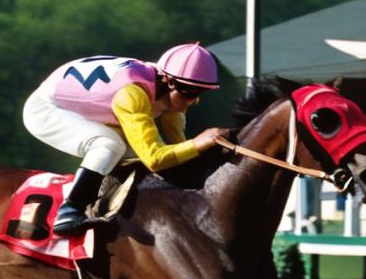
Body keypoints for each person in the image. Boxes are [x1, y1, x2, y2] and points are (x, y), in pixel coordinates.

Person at [23, 42, 229, 235]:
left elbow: (178, 150)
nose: (195, 100)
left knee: (133, 151)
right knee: (109, 145)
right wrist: (200, 142)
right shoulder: (133, 95)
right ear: (169, 81)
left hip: (87, 105)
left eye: (201, 92)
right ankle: (70, 209)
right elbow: (155, 158)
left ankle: (106, 204)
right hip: (46, 109)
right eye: (191, 93)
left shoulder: (167, 89)